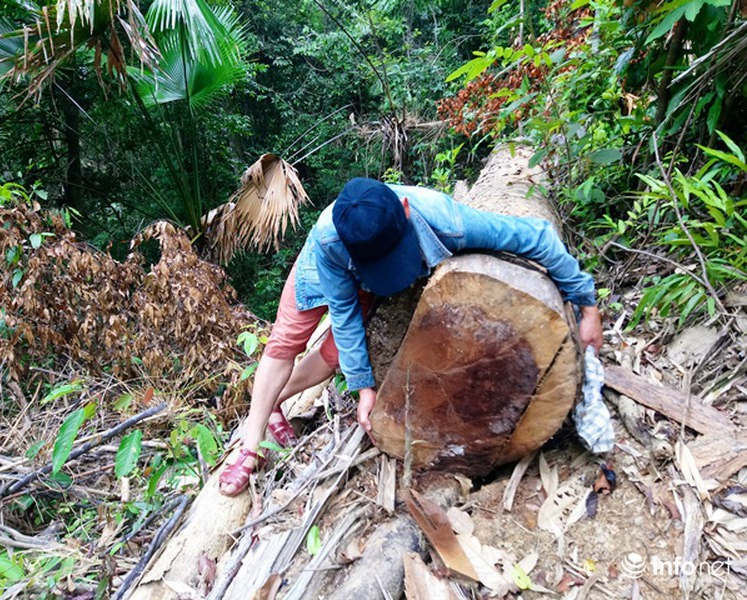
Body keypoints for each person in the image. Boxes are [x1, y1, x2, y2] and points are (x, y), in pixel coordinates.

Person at [219, 178, 603, 496]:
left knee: (334, 355)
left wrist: (587, 306)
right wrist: (364, 388)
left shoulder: (447, 219)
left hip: (363, 267)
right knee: (286, 341)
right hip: (330, 267)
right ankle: (249, 447)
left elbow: (536, 236)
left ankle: (276, 400)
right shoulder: (330, 240)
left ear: (405, 210)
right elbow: (344, 313)